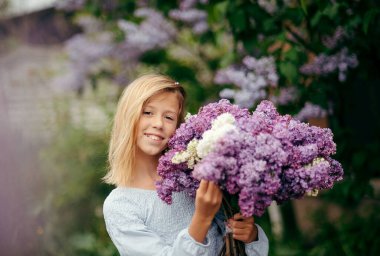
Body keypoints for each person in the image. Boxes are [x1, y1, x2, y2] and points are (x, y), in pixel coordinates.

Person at [103, 74, 269, 255]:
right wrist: (202, 217)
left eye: (169, 117)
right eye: (148, 112)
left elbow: (227, 236)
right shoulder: (120, 205)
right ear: (128, 117)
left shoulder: (192, 176)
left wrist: (250, 237)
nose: (158, 124)